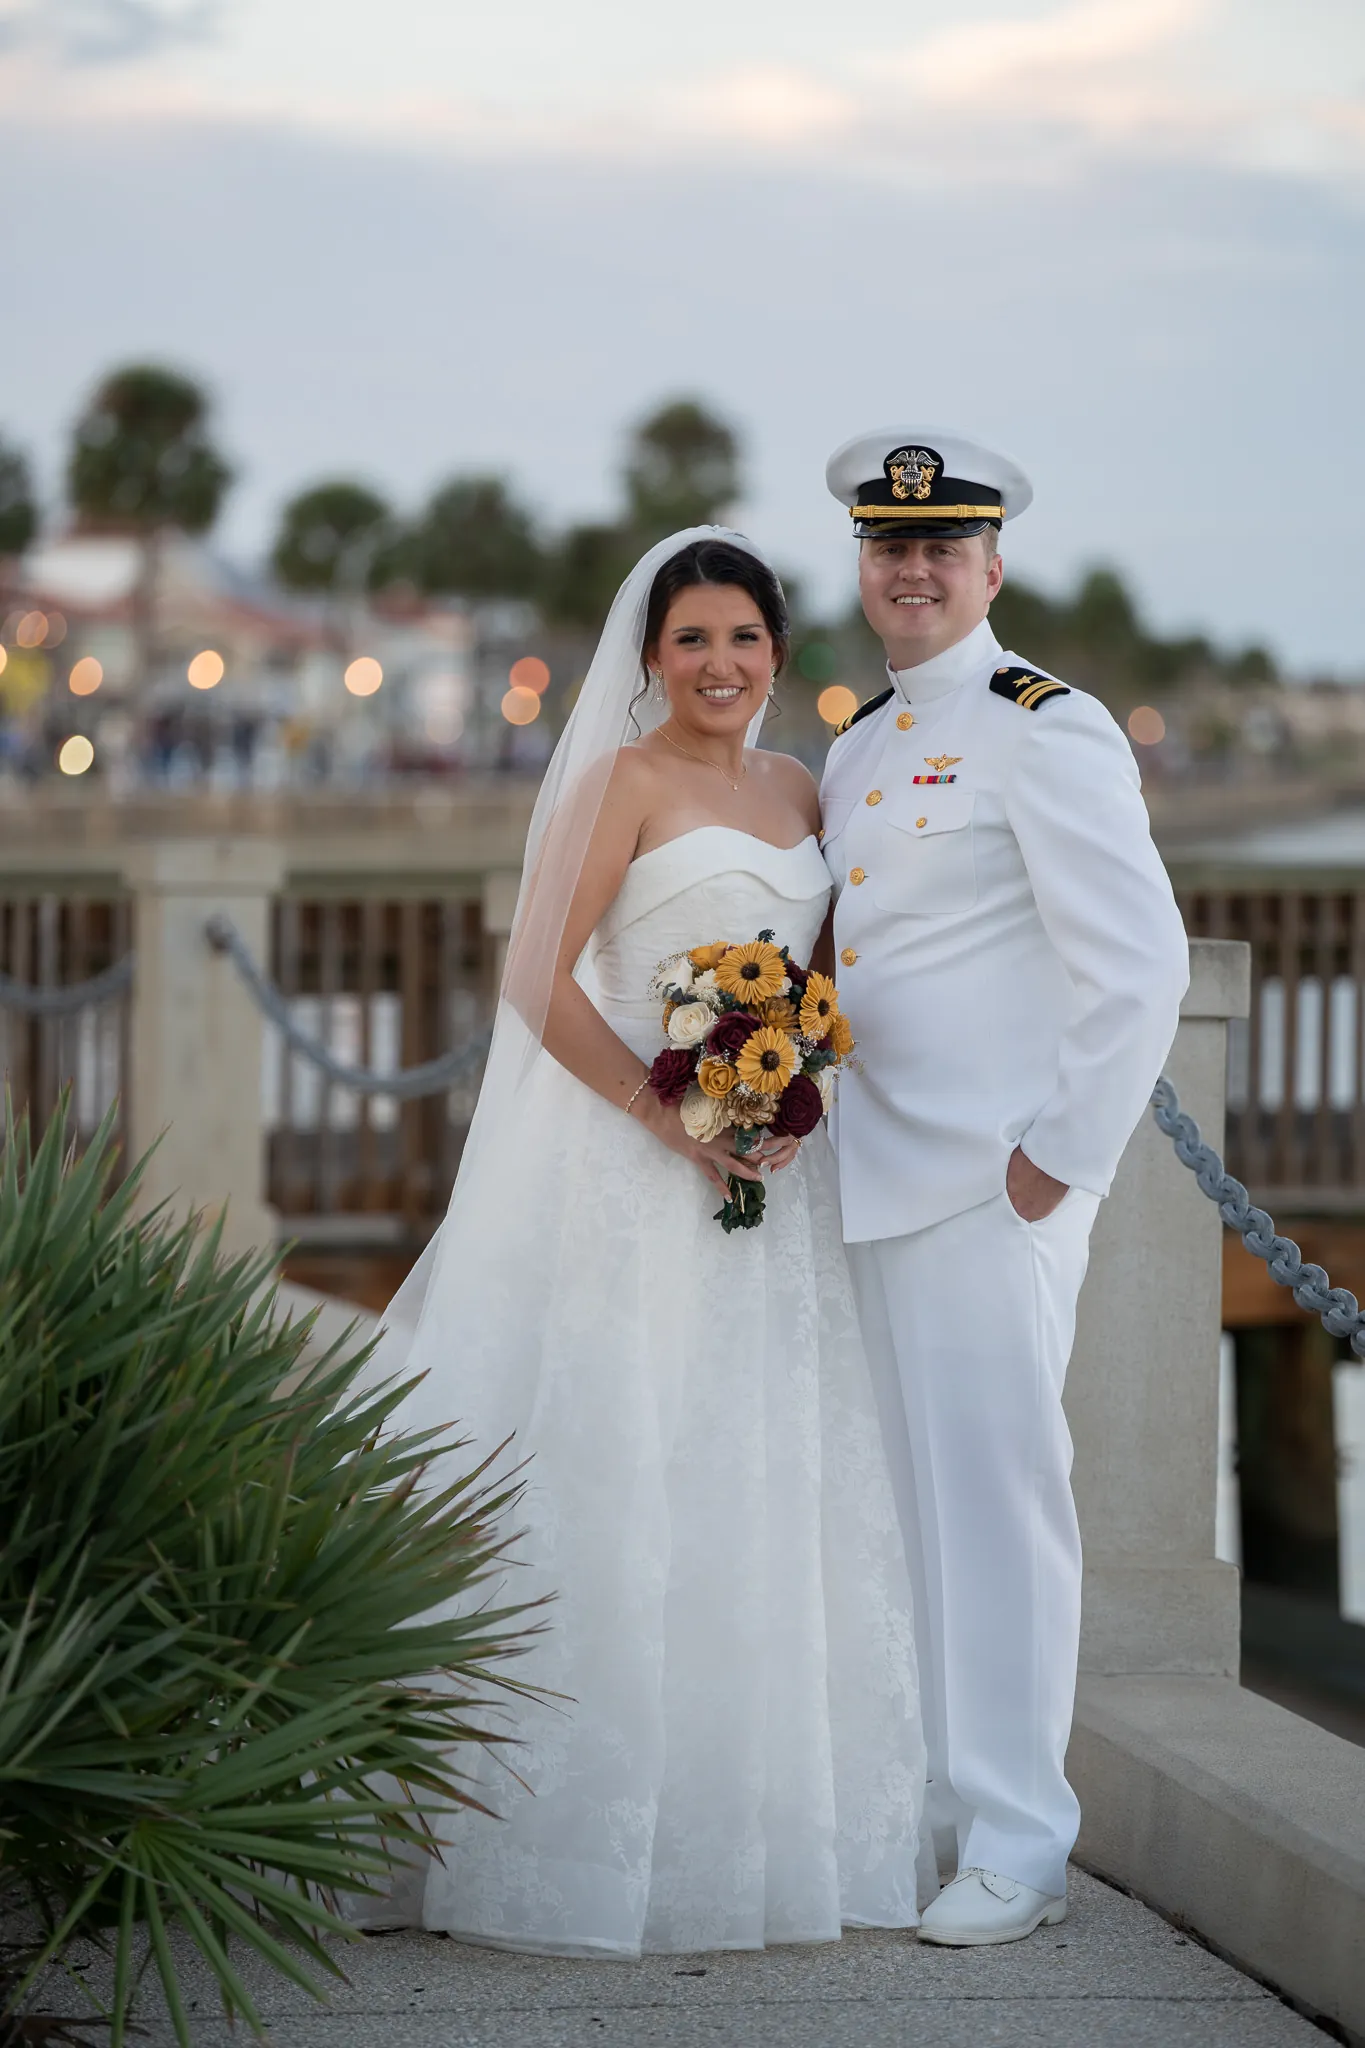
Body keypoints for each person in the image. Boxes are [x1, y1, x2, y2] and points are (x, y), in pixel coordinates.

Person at [365, 528, 925, 1958]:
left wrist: (786, 1092)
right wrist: (667, 1113)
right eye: (692, 642)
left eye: (743, 639)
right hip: (628, 1174)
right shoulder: (622, 780)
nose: (720, 666)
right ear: (652, 657)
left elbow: (809, 981)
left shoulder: (803, 788)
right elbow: (534, 978)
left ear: (780, 654)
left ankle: (730, 1832)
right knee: (621, 1458)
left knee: (748, 1470)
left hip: (766, 1182)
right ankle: (565, 1838)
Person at [819, 428, 1189, 1947]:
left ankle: (1023, 1844)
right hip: (866, 1171)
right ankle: (941, 1808)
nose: (913, 568)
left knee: (999, 1513)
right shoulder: (853, 744)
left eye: (942, 547)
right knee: (907, 1513)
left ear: (990, 566)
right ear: (865, 563)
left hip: (990, 1185)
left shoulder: (1050, 724)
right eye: (889, 546)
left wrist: (1060, 1163)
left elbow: (1140, 963)